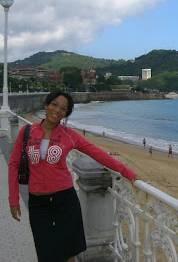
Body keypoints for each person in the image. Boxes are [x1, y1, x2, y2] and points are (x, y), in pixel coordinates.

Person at [8, 91, 141, 262]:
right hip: (38, 204)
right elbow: (13, 165)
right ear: (47, 105)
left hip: (65, 201)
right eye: (54, 104)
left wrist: (128, 173)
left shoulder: (68, 135)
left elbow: (98, 154)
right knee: (45, 252)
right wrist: (13, 200)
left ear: (66, 114)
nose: (57, 110)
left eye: (63, 108)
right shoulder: (27, 132)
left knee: (68, 254)